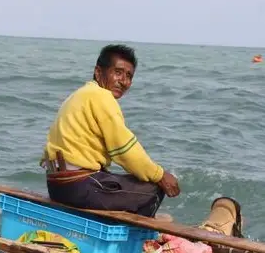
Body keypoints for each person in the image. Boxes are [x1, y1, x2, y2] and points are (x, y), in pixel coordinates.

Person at [40, 44, 180, 218]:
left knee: (130, 181)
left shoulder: (80, 94)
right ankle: (129, 240)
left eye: (129, 76)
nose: (124, 81)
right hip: (76, 186)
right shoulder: (101, 96)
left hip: (58, 185)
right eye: (118, 72)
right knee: (152, 190)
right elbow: (124, 150)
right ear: (99, 72)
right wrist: (160, 175)